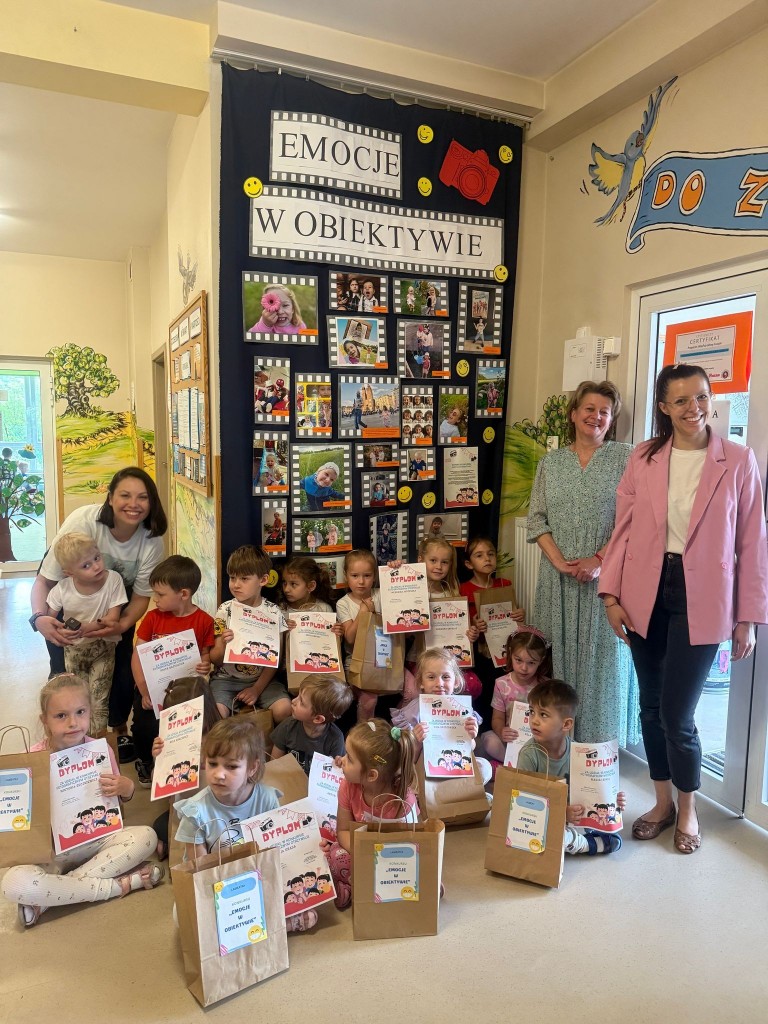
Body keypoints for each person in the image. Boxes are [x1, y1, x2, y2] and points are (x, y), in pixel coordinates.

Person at [600, 363, 768, 854]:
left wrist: (747, 617)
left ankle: (689, 808)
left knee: (678, 713)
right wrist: (610, 595)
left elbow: (753, 544)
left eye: (701, 397)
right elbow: (622, 529)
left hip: (704, 596)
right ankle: (661, 803)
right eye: (681, 400)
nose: (694, 408)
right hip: (645, 590)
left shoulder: (738, 460)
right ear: (664, 407)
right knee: (651, 707)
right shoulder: (645, 457)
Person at [527, 380, 639, 746]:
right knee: (556, 665)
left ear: (612, 420)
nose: (596, 416)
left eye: (604, 412)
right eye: (589, 409)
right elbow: (537, 519)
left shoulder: (626, 457)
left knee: (604, 665)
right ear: (574, 414)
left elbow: (635, 518)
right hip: (558, 579)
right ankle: (557, 752)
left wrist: (599, 559)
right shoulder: (551, 463)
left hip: (607, 580)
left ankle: (597, 757)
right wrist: (560, 562)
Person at [30, 466, 167, 764]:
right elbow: (45, 581)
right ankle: (62, 744)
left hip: (115, 608)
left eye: (143, 497)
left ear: (152, 502)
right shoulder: (84, 522)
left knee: (118, 674)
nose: (134, 504)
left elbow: (140, 598)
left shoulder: (151, 540)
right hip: (71, 606)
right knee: (66, 679)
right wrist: (40, 618)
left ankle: (112, 734)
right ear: (110, 497)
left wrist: (119, 625)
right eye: (125, 495)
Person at [1, 674, 161, 927]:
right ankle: (119, 885)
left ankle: (49, 898)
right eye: (61, 715)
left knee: (147, 837)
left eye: (80, 712)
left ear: (90, 712)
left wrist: (127, 788)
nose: (73, 722)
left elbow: (117, 804)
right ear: (44, 720)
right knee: (13, 883)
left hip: (97, 841)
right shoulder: (31, 759)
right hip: (51, 852)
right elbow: (19, 820)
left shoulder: (101, 750)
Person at [174, 717, 318, 933]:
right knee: (181, 917)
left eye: (231, 766)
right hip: (217, 882)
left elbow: (274, 853)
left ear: (252, 768)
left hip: (256, 874)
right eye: (212, 763)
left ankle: (248, 929)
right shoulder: (195, 811)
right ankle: (269, 927)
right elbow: (201, 870)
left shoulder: (267, 799)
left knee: (301, 891)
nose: (218, 774)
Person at [130, 555, 215, 787]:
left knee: (188, 727)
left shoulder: (204, 621)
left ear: (183, 594)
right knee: (144, 727)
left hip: (187, 692)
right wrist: (143, 690)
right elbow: (137, 655)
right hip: (151, 688)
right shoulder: (152, 618)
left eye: (160, 594)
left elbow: (205, 656)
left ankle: (183, 761)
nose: (154, 599)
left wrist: (205, 665)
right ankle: (145, 760)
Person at [517, 680, 625, 856]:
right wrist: (561, 813)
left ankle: (582, 838)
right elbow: (524, 801)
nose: (534, 720)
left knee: (608, 828)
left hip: (571, 816)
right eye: (531, 712)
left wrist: (613, 800)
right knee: (541, 835)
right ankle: (586, 844)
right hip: (541, 815)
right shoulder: (529, 754)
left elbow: (589, 793)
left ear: (566, 724)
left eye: (543, 715)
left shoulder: (577, 751)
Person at [324, 719, 419, 909]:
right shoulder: (347, 787)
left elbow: (414, 844)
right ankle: (354, 886)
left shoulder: (404, 800)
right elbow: (343, 830)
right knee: (334, 856)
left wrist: (384, 862)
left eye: (350, 759)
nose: (342, 760)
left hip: (394, 858)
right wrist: (363, 853)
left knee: (421, 866)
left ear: (371, 775)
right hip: (362, 852)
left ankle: (363, 887)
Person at [43, 533, 127, 734]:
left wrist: (86, 628)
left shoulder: (113, 580)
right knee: (76, 700)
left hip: (103, 649)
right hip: (74, 652)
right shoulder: (62, 589)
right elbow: (50, 618)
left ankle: (97, 744)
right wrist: (59, 628)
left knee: (99, 700)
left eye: (97, 558)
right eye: (86, 565)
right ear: (69, 573)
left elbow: (113, 618)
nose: (96, 566)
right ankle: (78, 741)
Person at [209, 545, 292, 722]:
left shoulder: (274, 613)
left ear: (263, 580)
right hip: (225, 679)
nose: (236, 584)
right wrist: (223, 642)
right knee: (216, 715)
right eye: (232, 578)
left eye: (244, 578)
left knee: (284, 709)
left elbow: (275, 660)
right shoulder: (224, 610)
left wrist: (256, 689)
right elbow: (215, 659)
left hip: (261, 680)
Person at [392, 647, 491, 785]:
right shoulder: (413, 712)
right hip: (424, 767)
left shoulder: (462, 709)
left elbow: (469, 750)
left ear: (456, 681)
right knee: (402, 774)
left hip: (454, 765)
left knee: (485, 766)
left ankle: (461, 791)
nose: (439, 684)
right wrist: (416, 742)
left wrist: (470, 737)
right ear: (421, 682)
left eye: (445, 677)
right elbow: (408, 759)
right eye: (431, 677)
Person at [150, 675, 221, 860]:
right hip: (186, 808)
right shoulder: (168, 740)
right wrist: (159, 760)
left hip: (219, 807)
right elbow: (162, 789)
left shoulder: (221, 737)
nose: (185, 725)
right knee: (161, 827)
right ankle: (167, 841)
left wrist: (209, 763)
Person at [460, 535, 525, 722]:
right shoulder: (463, 589)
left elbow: (513, 616)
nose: (487, 559)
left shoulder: (504, 585)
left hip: (503, 649)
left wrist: (519, 615)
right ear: (469, 564)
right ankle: (483, 726)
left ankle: (504, 723)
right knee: (483, 689)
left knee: (503, 688)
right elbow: (462, 625)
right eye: (479, 555)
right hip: (479, 651)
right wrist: (473, 625)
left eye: (490, 554)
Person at [477, 630, 551, 763]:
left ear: (541, 660)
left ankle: (525, 765)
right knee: (489, 740)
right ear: (510, 654)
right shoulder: (501, 683)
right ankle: (515, 765)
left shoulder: (546, 686)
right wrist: (501, 731)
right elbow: (498, 717)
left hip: (536, 741)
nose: (524, 668)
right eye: (519, 660)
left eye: (531, 663)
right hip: (511, 740)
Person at [336, 549, 383, 721]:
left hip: (385, 661)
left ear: (375, 576)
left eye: (367, 575)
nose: (361, 581)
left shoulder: (382, 594)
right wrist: (363, 612)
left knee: (412, 691)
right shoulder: (343, 603)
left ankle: (401, 732)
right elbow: (350, 638)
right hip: (356, 664)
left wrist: (396, 567)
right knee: (369, 700)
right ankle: (362, 735)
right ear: (346, 576)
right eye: (355, 576)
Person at [270, 678, 352, 773]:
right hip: (289, 778)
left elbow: (337, 772)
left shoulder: (336, 738)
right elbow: (274, 763)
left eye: (301, 702)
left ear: (318, 719)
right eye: (297, 696)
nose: (293, 701)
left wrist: (339, 764)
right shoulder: (288, 726)